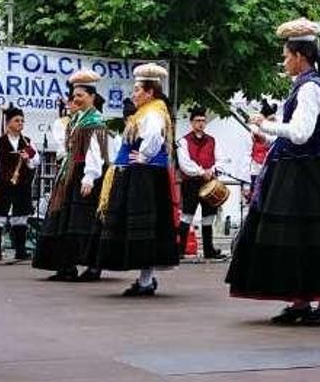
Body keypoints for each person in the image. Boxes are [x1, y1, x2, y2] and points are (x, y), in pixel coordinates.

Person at [226, 18, 320, 325]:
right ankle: (300, 301)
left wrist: (265, 124)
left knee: (314, 237)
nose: (284, 61)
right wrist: (264, 132)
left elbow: (300, 133)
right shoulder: (307, 85)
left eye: (286, 55)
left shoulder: (311, 87)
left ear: (300, 56)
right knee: (298, 239)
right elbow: (293, 135)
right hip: (298, 171)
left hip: (306, 174)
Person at [96, 63, 180, 296]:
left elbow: (154, 136)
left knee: (143, 227)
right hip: (142, 174)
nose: (133, 94)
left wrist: (143, 156)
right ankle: (145, 279)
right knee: (141, 228)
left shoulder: (153, 112)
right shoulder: (147, 111)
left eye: (137, 90)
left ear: (150, 92)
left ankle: (145, 281)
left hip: (145, 176)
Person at [33, 70, 109, 281]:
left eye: (80, 95)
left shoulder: (95, 120)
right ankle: (66, 266)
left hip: (84, 173)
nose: (76, 99)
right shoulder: (77, 120)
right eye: (74, 96)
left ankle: (93, 267)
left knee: (85, 220)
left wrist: (90, 177)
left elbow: (96, 151)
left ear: (92, 97)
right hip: (70, 173)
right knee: (64, 219)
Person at [0, 105, 40, 261]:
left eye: (22, 121)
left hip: (22, 185)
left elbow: (35, 161)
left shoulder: (27, 142)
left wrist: (27, 157)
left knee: (21, 216)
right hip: (3, 184)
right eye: (17, 120)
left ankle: (20, 251)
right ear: (8, 122)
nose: (20, 123)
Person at [176, 106, 230, 259]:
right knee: (187, 215)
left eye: (203, 121)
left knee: (209, 216)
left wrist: (212, 171)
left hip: (209, 183)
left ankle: (209, 250)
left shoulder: (212, 141)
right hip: (191, 183)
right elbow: (185, 164)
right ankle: (180, 251)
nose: (200, 123)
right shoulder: (183, 142)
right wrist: (201, 172)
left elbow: (221, 159)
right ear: (192, 122)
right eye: (197, 121)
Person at [249, 99, 277, 190]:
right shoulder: (254, 132)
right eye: (271, 120)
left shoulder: (276, 133)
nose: (274, 122)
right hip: (256, 171)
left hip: (273, 171)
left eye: (274, 119)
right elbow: (247, 155)